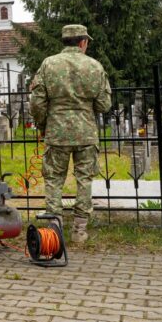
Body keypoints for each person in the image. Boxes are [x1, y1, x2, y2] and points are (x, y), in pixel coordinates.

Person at [30, 24, 112, 243]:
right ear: (83, 42)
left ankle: (54, 227)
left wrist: (42, 124)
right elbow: (104, 104)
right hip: (85, 132)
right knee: (84, 179)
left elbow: (36, 102)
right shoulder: (95, 66)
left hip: (56, 131)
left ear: (65, 41)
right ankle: (80, 230)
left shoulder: (49, 64)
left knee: (54, 179)